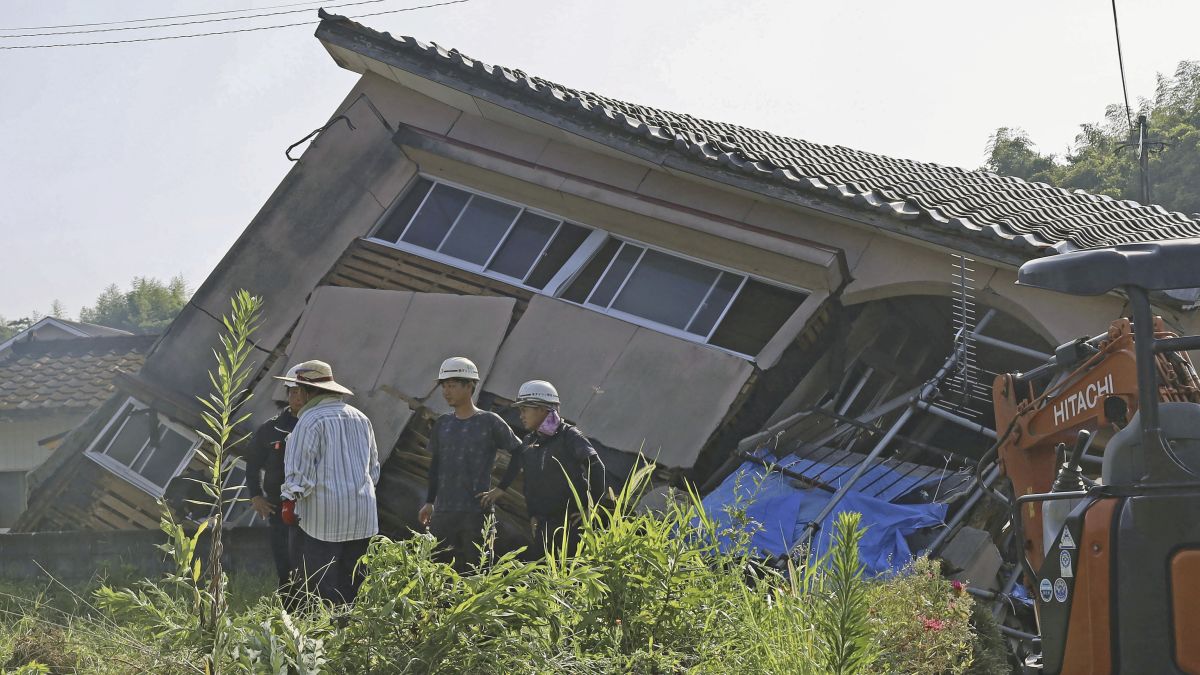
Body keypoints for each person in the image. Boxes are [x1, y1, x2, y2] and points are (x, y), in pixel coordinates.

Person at [278, 360, 379, 605]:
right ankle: (352, 636)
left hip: (322, 520)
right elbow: (373, 471)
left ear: (304, 391)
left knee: (320, 588)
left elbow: (299, 478)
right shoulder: (361, 418)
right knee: (354, 586)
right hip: (362, 517)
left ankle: (324, 638)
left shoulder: (310, 420)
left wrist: (289, 500)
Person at [480, 380, 606, 557]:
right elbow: (527, 478)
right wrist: (532, 514)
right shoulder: (530, 442)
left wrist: (592, 507)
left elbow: (595, 466)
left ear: (542, 409)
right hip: (544, 525)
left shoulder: (569, 436)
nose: (521, 415)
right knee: (545, 576)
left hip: (572, 523)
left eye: (525, 409)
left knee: (571, 575)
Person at [419, 356, 521, 571]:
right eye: (444, 386)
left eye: (452, 386)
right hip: (444, 511)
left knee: (478, 571)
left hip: (476, 512)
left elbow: (520, 452)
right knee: (435, 571)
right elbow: (435, 465)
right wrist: (429, 502)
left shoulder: (489, 421)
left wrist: (500, 489)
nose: (446, 391)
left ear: (469, 386)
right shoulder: (443, 424)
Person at [244, 364, 302, 597]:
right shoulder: (271, 428)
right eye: (292, 392)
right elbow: (252, 464)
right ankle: (289, 612)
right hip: (280, 508)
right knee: (285, 563)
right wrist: (256, 496)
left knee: (312, 564)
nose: (297, 397)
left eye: (302, 392)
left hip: (315, 507)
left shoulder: (320, 424)